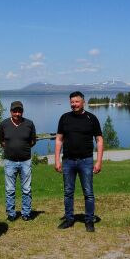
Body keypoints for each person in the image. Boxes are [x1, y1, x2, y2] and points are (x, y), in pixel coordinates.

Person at [54, 91, 104, 232]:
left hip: (86, 161)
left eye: (77, 101)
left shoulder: (91, 118)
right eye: (72, 102)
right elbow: (59, 139)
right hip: (68, 161)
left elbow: (99, 140)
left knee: (88, 192)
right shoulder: (64, 118)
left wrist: (99, 161)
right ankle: (69, 219)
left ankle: (89, 220)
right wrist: (57, 160)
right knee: (68, 192)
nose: (74, 104)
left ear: (83, 102)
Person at [0, 100, 37, 221]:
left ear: (22, 111)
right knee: (10, 189)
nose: (17, 113)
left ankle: (26, 213)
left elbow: (32, 141)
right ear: (11, 111)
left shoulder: (29, 124)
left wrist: (22, 148)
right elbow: (2, 141)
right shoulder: (4, 124)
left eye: (19, 111)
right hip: (9, 161)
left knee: (27, 189)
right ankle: (11, 214)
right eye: (15, 111)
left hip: (26, 161)